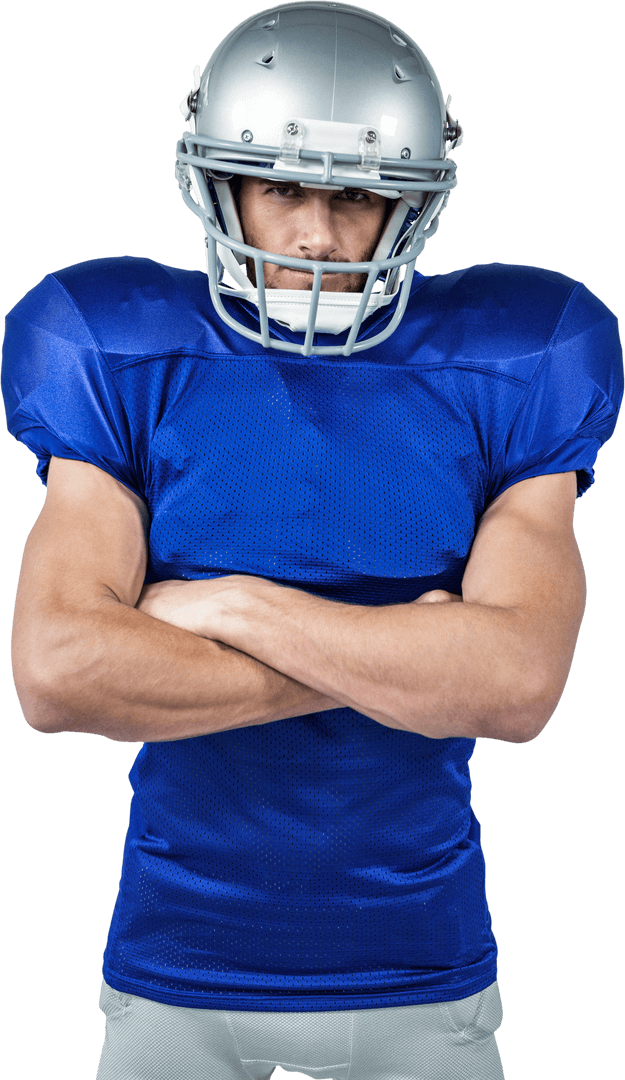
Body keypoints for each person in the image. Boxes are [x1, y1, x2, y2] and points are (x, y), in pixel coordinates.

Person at [1, 3, 622, 1079]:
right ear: (217, 181)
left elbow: (515, 684)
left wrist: (228, 605)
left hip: (422, 977)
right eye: (282, 187)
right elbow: (58, 672)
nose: (318, 237)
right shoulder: (113, 341)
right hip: (173, 974)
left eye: (357, 195)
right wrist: (412, 658)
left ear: (412, 201)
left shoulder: (521, 350)